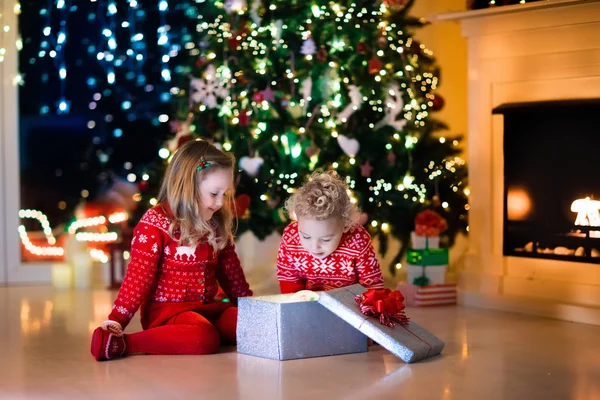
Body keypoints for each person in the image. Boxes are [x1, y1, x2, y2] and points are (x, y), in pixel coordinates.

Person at [90, 140, 252, 361]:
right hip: (169, 313)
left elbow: (232, 275)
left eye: (224, 195)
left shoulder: (215, 224)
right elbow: (138, 277)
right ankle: (126, 343)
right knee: (203, 338)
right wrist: (117, 320)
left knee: (250, 324)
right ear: (187, 187)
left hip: (208, 309)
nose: (219, 203)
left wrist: (253, 309)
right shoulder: (155, 223)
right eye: (214, 193)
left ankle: (198, 334)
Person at [277, 170, 385, 294]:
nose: (314, 247)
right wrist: (297, 305)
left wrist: (367, 306)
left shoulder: (358, 240)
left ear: (346, 225)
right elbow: (288, 279)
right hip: (308, 303)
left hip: (350, 304)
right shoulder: (291, 237)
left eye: (325, 239)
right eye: (306, 237)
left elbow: (372, 285)